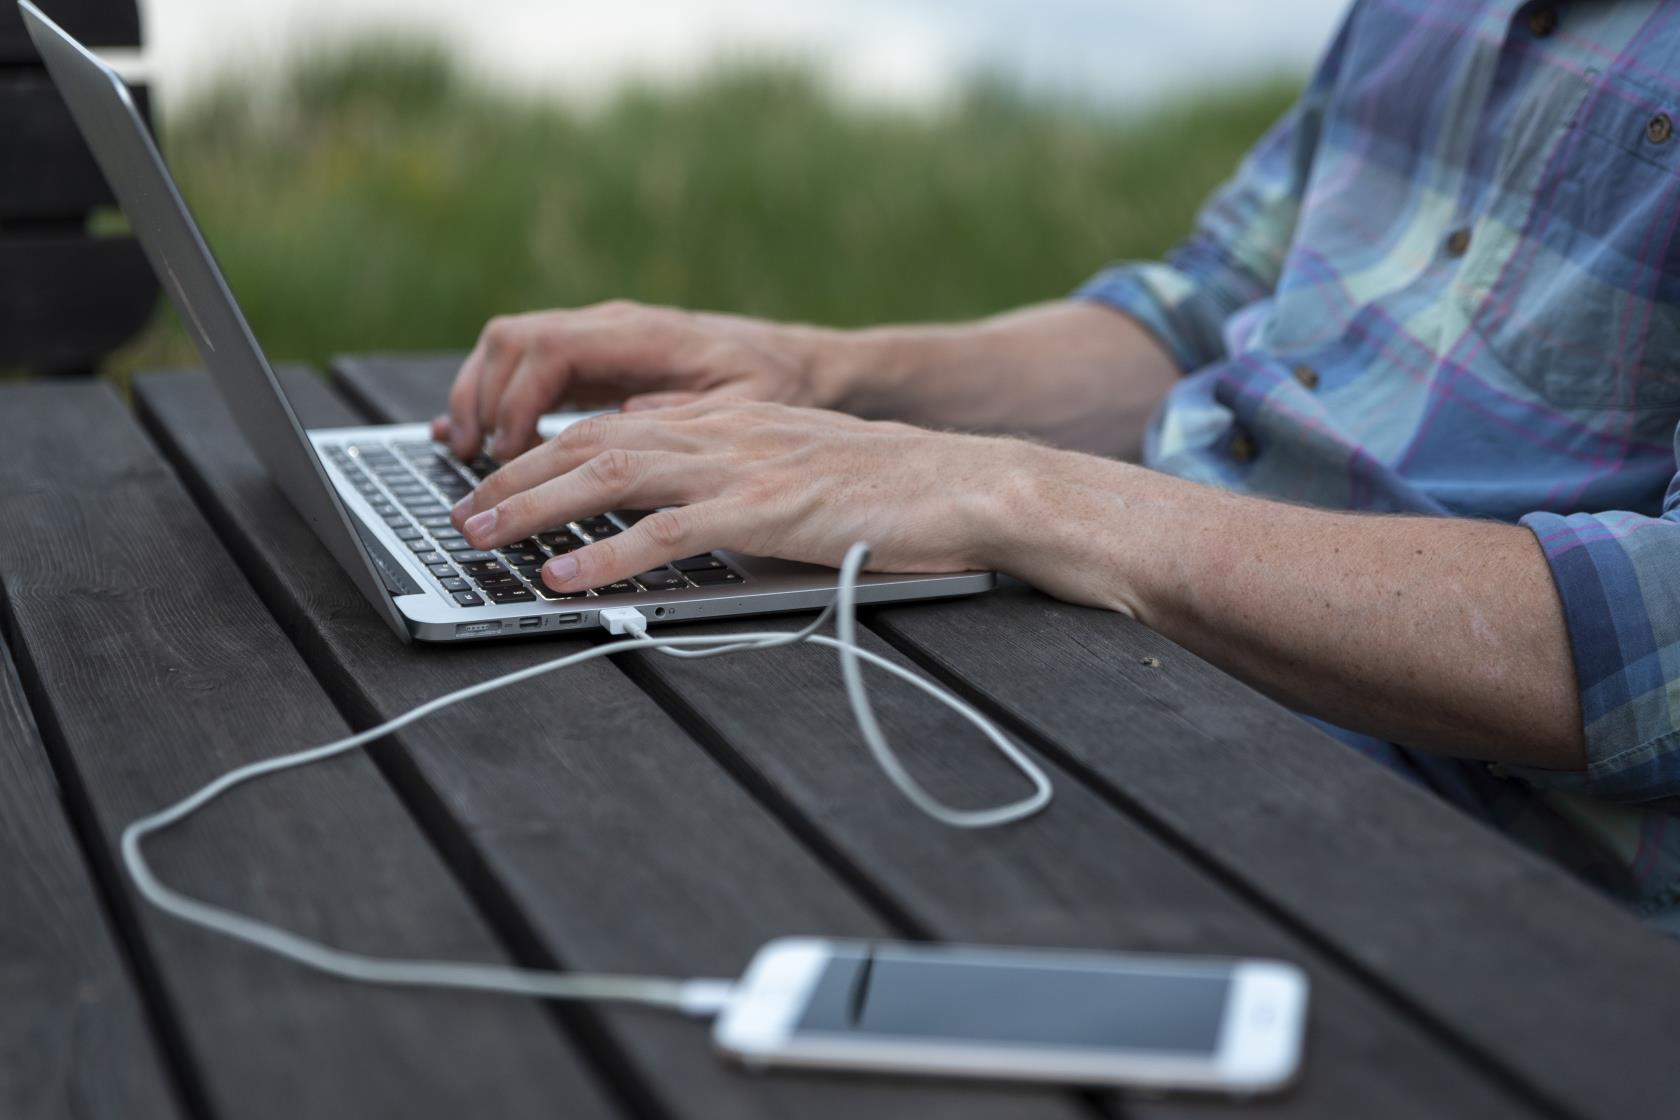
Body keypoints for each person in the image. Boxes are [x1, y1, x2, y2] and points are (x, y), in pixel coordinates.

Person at [437, 0, 1680, 927]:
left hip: (1450, 867)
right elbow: (1213, 309)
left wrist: (1022, 492)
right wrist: (817, 371)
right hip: (1136, 660)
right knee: (546, 769)